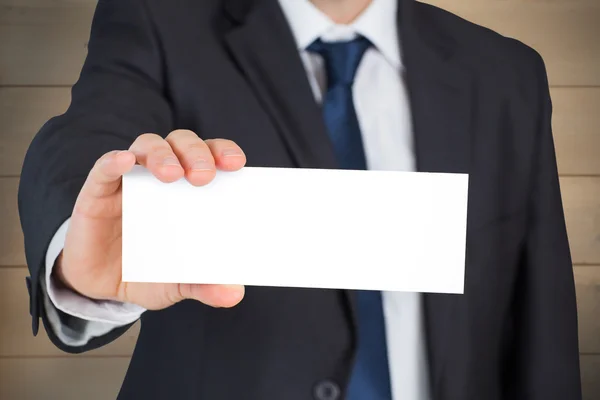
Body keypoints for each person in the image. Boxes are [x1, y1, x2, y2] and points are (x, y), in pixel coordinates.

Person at [18, 0, 582, 399]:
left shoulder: (507, 73)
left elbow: (541, 320)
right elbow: (87, 134)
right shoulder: (156, 21)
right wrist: (76, 245)